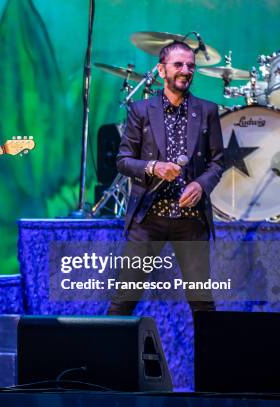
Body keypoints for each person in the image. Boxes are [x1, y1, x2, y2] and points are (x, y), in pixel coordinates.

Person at [106, 41, 224, 316]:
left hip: (191, 219)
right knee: (124, 299)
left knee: (202, 304)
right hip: (149, 218)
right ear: (161, 70)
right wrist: (153, 167)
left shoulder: (207, 110)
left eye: (191, 66)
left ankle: (212, 360)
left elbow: (218, 161)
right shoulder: (141, 110)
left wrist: (200, 184)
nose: (186, 70)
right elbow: (123, 161)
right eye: (179, 65)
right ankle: (107, 358)